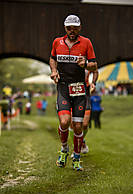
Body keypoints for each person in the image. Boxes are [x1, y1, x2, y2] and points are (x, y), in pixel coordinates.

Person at [49, 14, 97, 171]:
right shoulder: (57, 42)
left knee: (78, 127)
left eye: (75, 28)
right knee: (64, 122)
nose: (72, 31)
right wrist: (54, 70)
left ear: (79, 28)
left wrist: (85, 65)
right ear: (65, 28)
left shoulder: (86, 42)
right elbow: (52, 58)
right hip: (63, 86)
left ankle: (76, 158)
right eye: (69, 28)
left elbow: (94, 66)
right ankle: (64, 149)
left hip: (79, 88)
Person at [70, 69, 99, 155]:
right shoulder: (69, 58)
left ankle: (81, 141)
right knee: (73, 124)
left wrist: (93, 82)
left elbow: (95, 70)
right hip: (72, 91)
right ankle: (76, 148)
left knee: (85, 124)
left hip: (85, 93)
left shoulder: (88, 61)